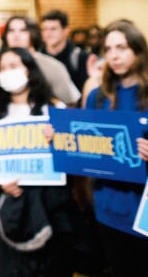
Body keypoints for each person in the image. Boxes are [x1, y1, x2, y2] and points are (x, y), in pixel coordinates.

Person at [0, 47, 76, 276]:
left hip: (50, 204)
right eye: (2, 68)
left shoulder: (53, 107)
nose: (7, 72)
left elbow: (73, 157)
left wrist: (60, 141)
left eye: (13, 66)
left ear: (29, 69)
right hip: (10, 204)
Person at [77, 20, 148, 274]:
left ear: (138, 51)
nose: (114, 55)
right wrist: (59, 137)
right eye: (109, 49)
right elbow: (82, 143)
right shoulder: (98, 95)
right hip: (108, 207)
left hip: (144, 210)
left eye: (122, 47)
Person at [1, 15, 80, 106]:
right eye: (11, 31)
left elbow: (70, 104)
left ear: (33, 33)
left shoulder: (53, 67)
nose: (16, 35)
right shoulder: (1, 67)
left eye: (23, 30)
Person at [40, 9, 91, 91]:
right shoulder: (38, 57)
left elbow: (86, 89)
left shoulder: (79, 56)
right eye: (44, 29)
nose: (48, 33)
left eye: (53, 29)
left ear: (65, 31)